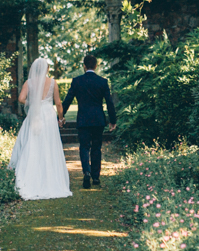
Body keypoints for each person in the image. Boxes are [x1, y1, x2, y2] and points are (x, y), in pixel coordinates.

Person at [8, 57, 72, 200]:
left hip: (35, 114)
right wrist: (61, 118)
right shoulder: (53, 83)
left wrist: (33, 102)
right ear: (47, 69)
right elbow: (59, 103)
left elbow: (20, 98)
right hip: (48, 115)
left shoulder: (29, 82)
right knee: (49, 145)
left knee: (32, 143)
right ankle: (51, 180)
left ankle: (29, 178)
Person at [60, 53, 117, 189]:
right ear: (96, 66)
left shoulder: (77, 81)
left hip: (83, 120)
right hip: (98, 120)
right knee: (96, 147)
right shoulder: (102, 82)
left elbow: (67, 100)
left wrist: (60, 117)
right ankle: (96, 177)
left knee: (84, 147)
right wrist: (112, 120)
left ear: (84, 66)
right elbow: (109, 102)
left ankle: (86, 172)